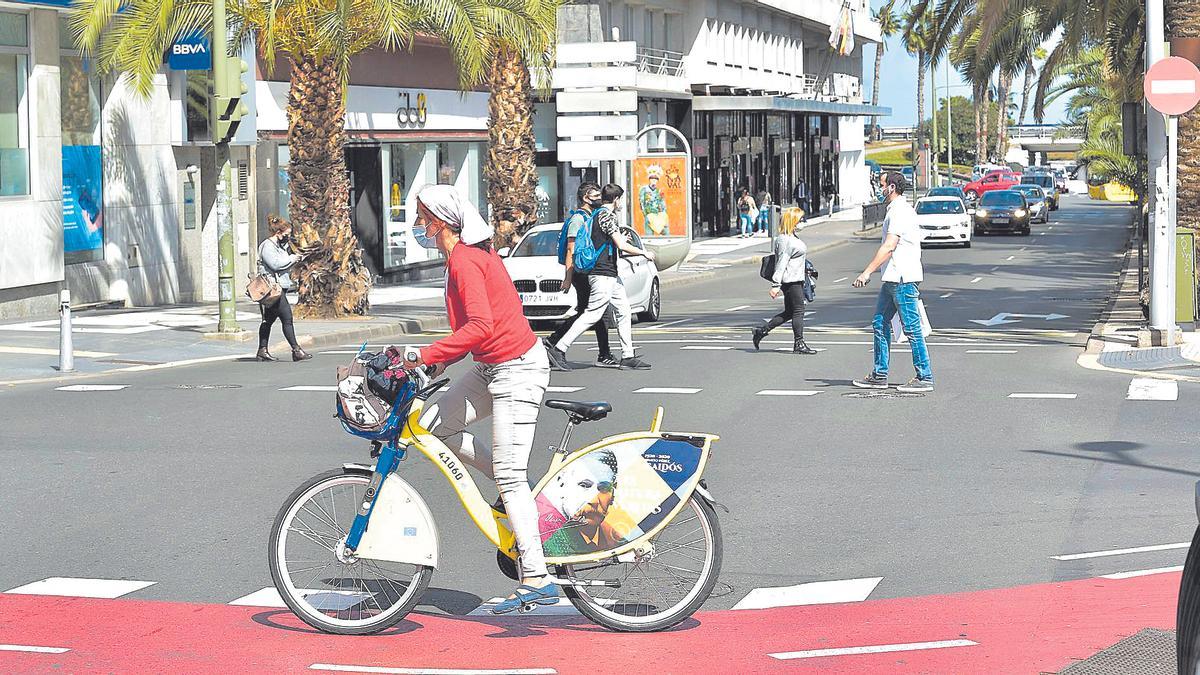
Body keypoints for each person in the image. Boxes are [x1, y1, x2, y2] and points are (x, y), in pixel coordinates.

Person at [401, 184, 557, 614]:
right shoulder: (464, 257)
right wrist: (434, 366)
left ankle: (538, 575)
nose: (417, 227)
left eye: (421, 218)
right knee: (431, 427)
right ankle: (514, 497)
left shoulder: (467, 260)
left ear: (439, 223)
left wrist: (423, 354)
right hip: (492, 366)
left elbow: (481, 327)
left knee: (510, 471)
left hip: (518, 368)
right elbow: (472, 334)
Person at [545, 184, 655, 371]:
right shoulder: (606, 215)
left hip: (609, 274)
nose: (622, 203)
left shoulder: (598, 215)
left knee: (624, 310)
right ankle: (559, 348)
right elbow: (621, 245)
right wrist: (644, 253)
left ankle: (628, 356)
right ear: (616, 199)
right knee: (592, 314)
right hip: (602, 273)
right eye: (621, 199)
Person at [851, 172, 933, 393]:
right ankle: (879, 374)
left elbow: (889, 246)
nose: (880, 189)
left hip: (902, 278)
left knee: (912, 328)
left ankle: (924, 376)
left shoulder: (899, 212)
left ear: (892, 187)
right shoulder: (897, 210)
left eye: (882, 185)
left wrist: (867, 272)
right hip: (893, 278)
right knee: (880, 323)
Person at [545, 183, 616, 370]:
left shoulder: (591, 216)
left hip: (587, 270)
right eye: (595, 195)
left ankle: (603, 353)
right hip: (580, 272)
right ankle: (555, 343)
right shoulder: (578, 219)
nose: (599, 198)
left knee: (593, 311)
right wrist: (568, 277)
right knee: (592, 312)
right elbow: (571, 249)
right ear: (586, 197)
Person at [255, 215, 312, 362]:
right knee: (287, 319)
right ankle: (296, 350)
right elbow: (276, 264)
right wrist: (293, 258)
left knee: (268, 320)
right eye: (286, 234)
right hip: (274, 289)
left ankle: (262, 350)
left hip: (278, 288)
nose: (288, 237)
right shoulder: (267, 246)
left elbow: (282, 263)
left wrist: (293, 256)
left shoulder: (279, 247)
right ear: (278, 233)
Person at [752, 227, 817, 354]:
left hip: (796, 278)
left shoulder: (791, 237)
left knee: (789, 312)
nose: (801, 222)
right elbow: (781, 263)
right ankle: (799, 343)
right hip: (791, 281)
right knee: (799, 310)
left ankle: (761, 331)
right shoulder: (785, 240)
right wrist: (776, 285)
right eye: (799, 219)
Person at [639, 166, 670, 236]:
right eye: (652, 179)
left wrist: (663, 212)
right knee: (649, 234)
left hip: (658, 214)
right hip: (649, 214)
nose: (653, 181)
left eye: (655, 179)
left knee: (665, 230)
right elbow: (642, 202)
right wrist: (645, 214)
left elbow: (662, 202)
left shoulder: (659, 191)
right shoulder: (644, 189)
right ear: (649, 179)